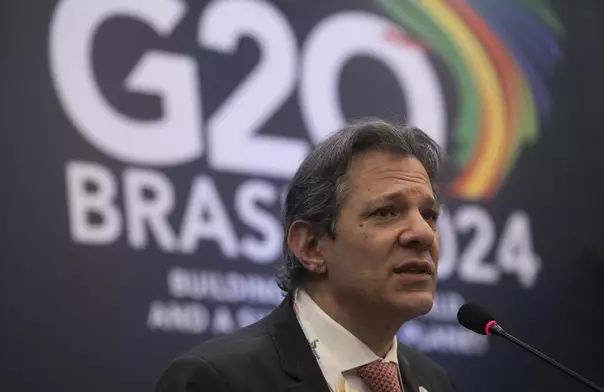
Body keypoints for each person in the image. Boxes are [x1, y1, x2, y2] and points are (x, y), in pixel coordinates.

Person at [155, 119, 456, 392]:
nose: (424, 234)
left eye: (429, 215)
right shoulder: (214, 381)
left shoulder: (435, 383)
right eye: (386, 212)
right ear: (311, 246)